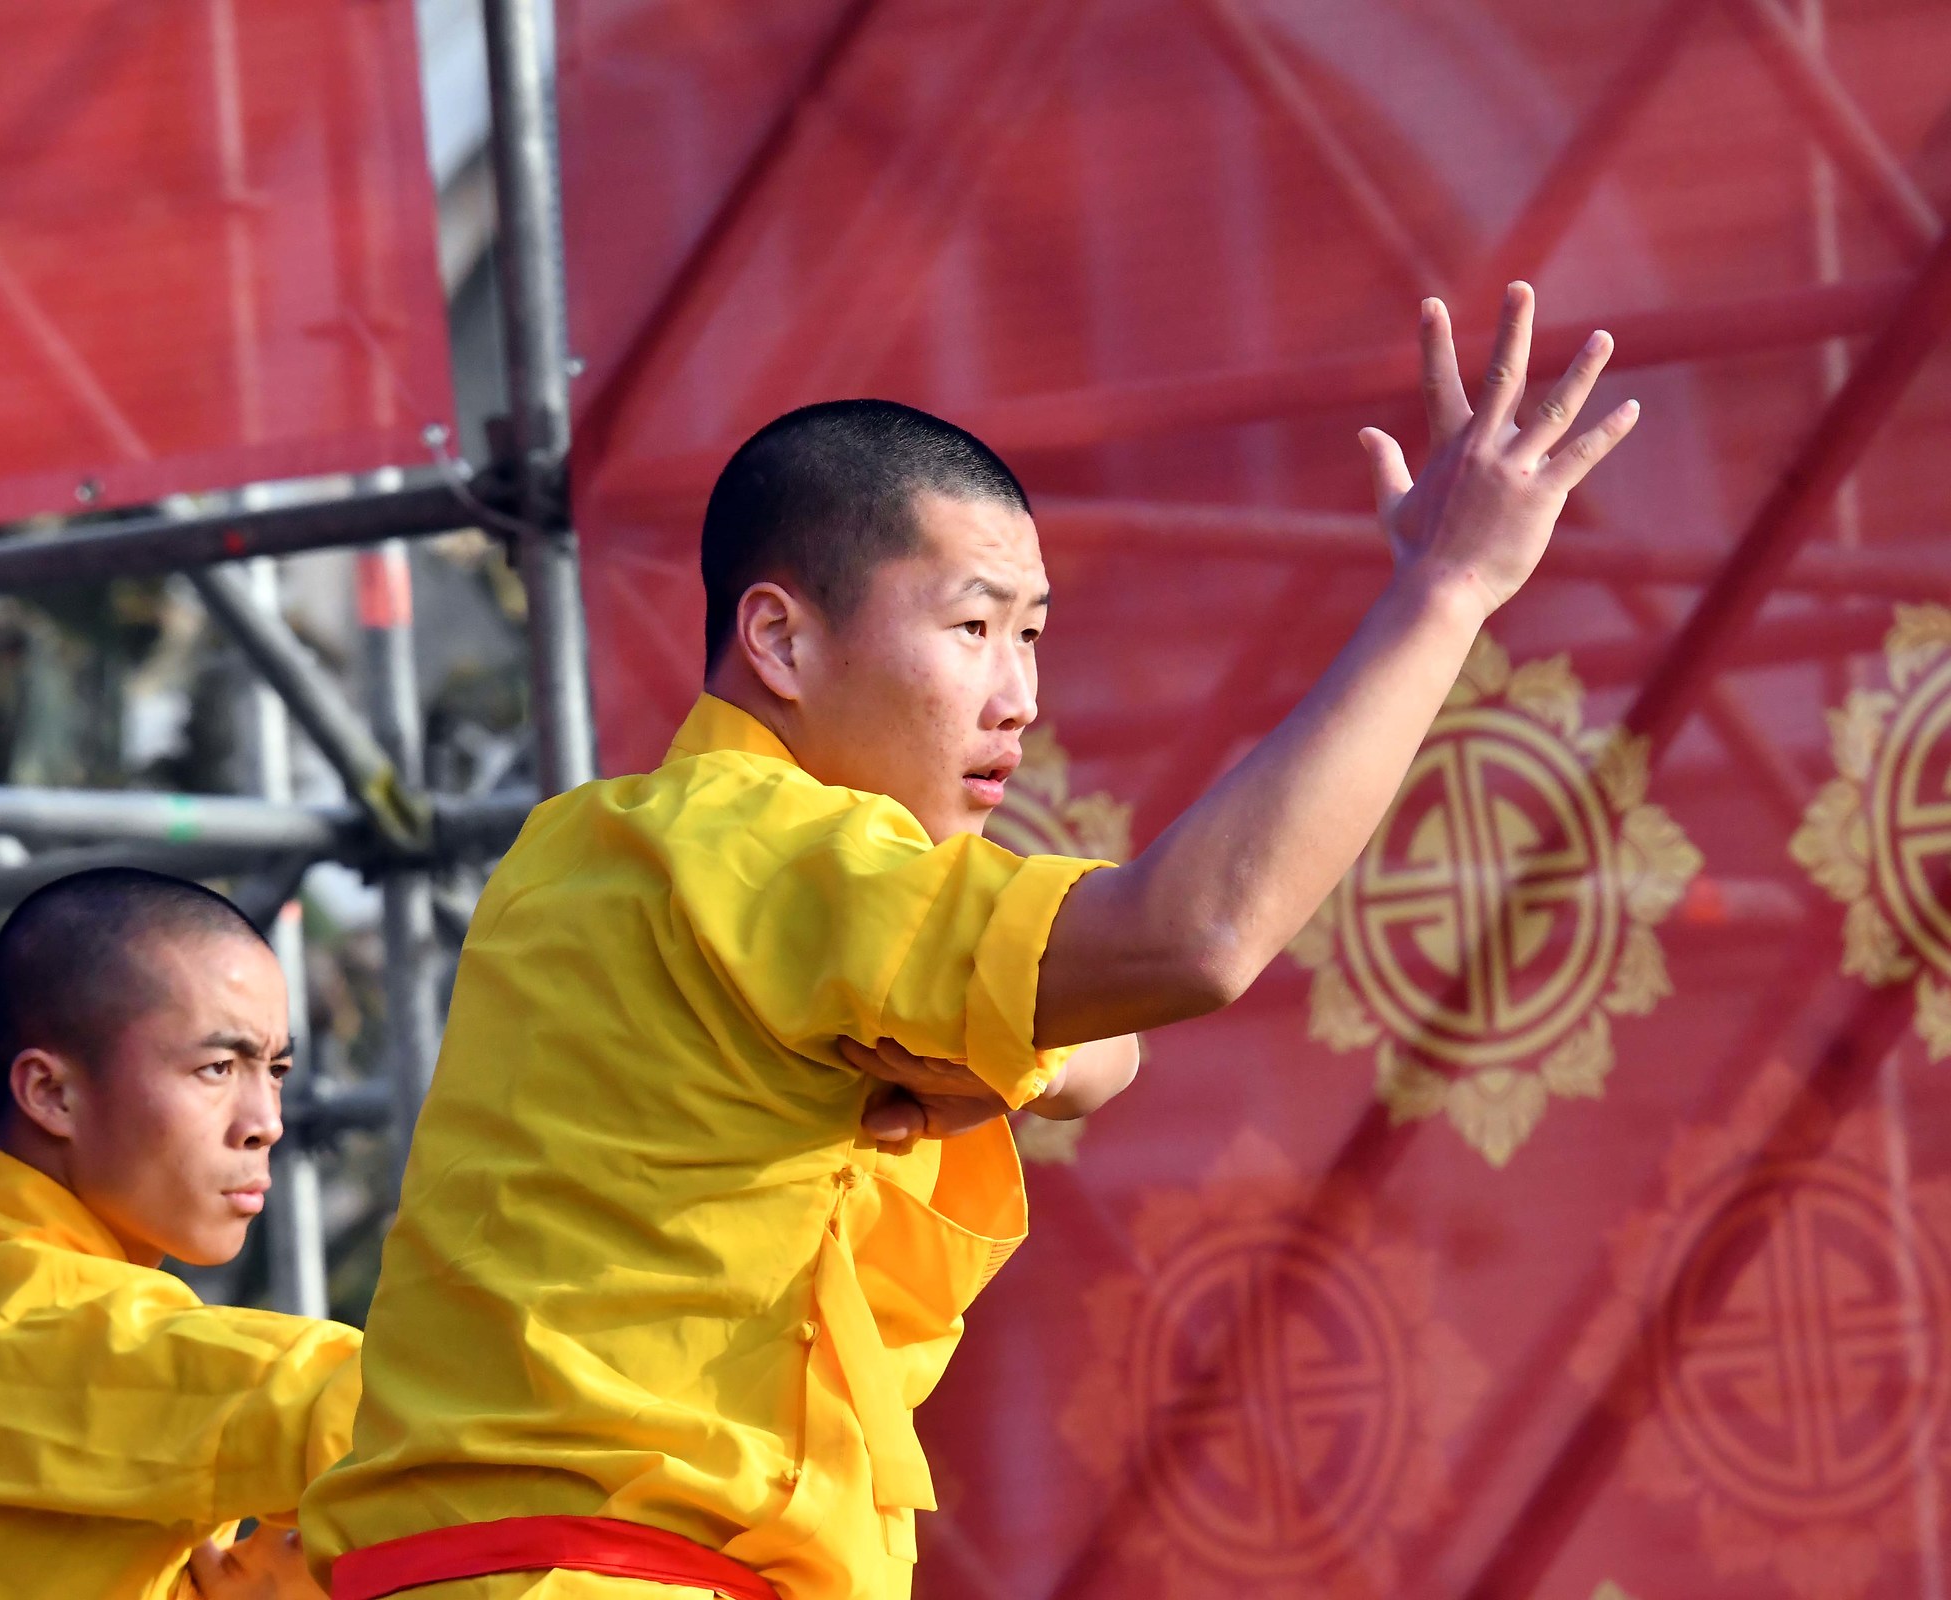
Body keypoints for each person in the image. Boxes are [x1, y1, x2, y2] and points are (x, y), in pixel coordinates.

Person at [298, 285, 1637, 1600]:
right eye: (975, 627)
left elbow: (1108, 1038)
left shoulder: (603, 852)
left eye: (1034, 636)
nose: (1021, 697)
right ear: (778, 637)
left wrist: (1023, 1056)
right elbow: (1193, 938)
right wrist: (1447, 592)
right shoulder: (775, 850)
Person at [0, 867, 355, 1600]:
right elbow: (395, 1413)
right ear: (52, 1094)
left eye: (274, 1069)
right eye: (217, 1067)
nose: (266, 1121)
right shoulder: (24, 1320)